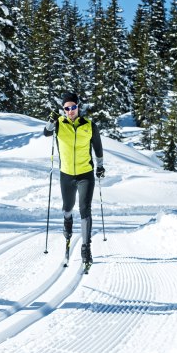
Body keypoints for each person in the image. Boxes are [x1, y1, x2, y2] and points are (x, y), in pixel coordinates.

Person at [43, 93, 105, 267]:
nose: (70, 111)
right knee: (67, 208)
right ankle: (67, 222)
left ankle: (86, 249)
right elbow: (46, 133)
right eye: (67, 108)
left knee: (85, 209)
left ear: (78, 107)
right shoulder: (59, 125)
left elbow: (98, 147)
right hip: (66, 175)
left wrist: (100, 166)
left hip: (86, 174)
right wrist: (50, 120)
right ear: (63, 110)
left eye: (73, 107)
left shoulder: (89, 125)